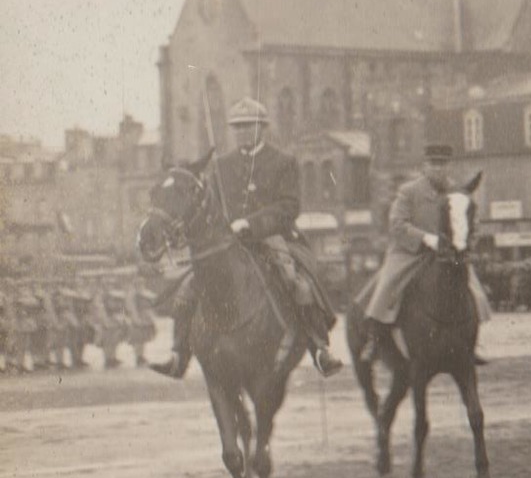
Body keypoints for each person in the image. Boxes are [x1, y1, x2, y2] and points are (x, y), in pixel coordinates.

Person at [151, 97, 343, 379]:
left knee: (297, 283)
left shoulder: (283, 161)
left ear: (261, 128)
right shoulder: (220, 166)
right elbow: (211, 206)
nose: (241, 132)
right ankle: (178, 354)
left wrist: (250, 224)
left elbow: (289, 207)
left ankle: (319, 349)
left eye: (247, 126)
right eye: (237, 127)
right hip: (227, 242)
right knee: (189, 288)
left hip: (271, 237)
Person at [357, 143, 492, 362]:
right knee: (389, 283)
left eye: (443, 164)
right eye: (434, 164)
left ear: (449, 166)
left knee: (472, 288)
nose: (438, 169)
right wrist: (428, 239)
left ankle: (471, 342)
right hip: (411, 252)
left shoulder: (456, 192)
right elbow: (397, 225)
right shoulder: (409, 191)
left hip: (447, 253)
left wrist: (465, 244)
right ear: (424, 166)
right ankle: (375, 338)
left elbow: (472, 224)